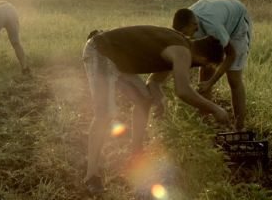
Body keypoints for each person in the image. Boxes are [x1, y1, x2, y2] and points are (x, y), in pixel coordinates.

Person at [82, 25, 229, 195]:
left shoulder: (180, 46)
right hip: (100, 51)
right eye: (205, 65)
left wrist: (159, 97)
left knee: (144, 100)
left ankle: (135, 154)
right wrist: (215, 109)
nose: (199, 68)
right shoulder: (183, 52)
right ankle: (91, 175)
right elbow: (182, 90)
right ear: (202, 57)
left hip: (117, 59)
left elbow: (154, 83)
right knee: (105, 113)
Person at [172, 0, 252, 132]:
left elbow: (231, 55)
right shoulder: (185, 25)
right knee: (206, 68)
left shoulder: (212, 26)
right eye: (184, 35)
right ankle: (204, 122)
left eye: (188, 34)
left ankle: (239, 127)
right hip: (218, 15)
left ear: (194, 25)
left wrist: (211, 82)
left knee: (233, 78)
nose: (188, 38)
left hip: (237, 22)